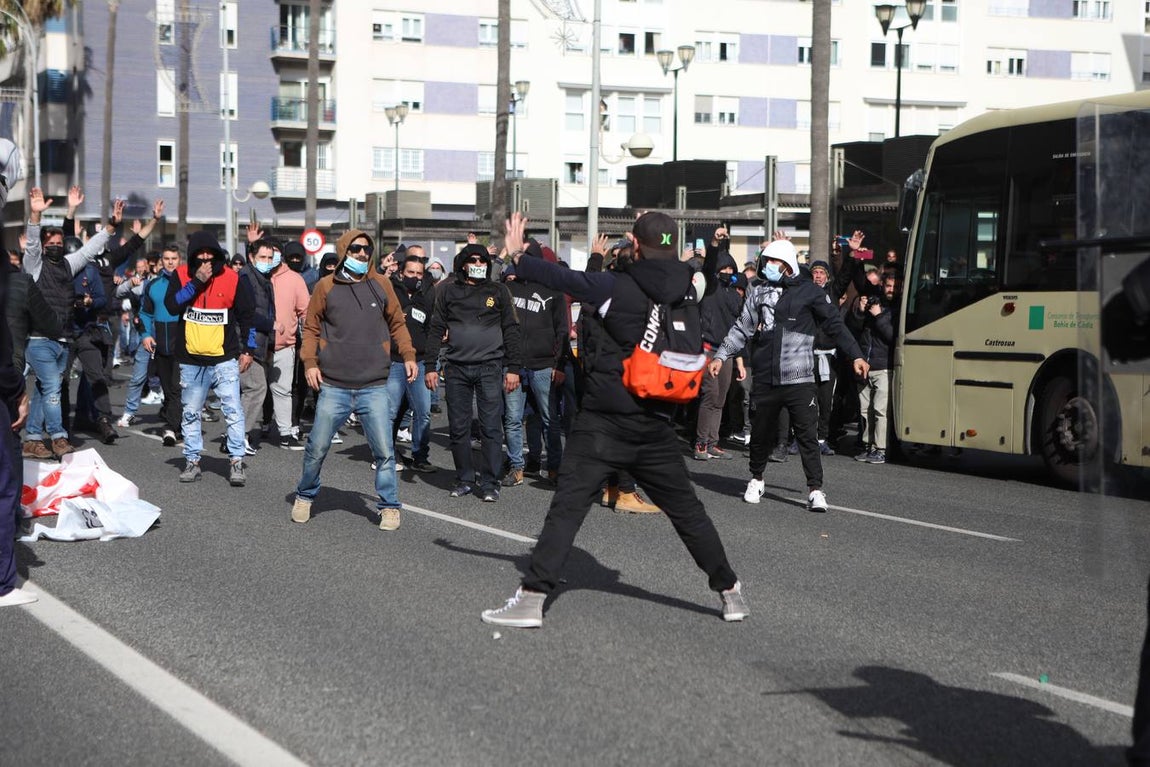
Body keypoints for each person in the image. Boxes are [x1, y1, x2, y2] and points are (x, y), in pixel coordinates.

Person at [481, 211, 747, 629]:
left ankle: (532, 600)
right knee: (688, 513)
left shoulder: (616, 286)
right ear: (674, 246)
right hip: (657, 424)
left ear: (635, 244)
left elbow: (563, 279)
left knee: (567, 509)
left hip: (603, 421)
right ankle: (730, 591)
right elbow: (706, 275)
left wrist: (518, 255)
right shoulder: (688, 286)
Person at [710, 238, 869, 512]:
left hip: (800, 378)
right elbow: (742, 327)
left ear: (787, 264)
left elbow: (834, 323)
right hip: (766, 377)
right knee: (761, 433)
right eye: (766, 261)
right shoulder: (757, 291)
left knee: (807, 435)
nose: (768, 266)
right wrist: (721, 355)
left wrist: (855, 354)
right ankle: (756, 479)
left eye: (774, 261)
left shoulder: (810, 292)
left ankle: (815, 490)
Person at [292, 229, 417, 530]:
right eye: (356, 249)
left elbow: (397, 324)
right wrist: (310, 363)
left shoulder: (382, 284)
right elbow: (311, 328)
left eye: (366, 249)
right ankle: (305, 495)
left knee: (384, 451)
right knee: (316, 447)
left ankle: (389, 506)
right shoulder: (325, 286)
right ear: (344, 251)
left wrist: (409, 355)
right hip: (334, 385)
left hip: (374, 385)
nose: (362, 254)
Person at [22, 188, 119, 458]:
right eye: (50, 242)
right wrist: (35, 215)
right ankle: (58, 436)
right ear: (43, 246)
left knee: (43, 389)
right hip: (39, 339)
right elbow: (32, 244)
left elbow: (89, 250)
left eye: (59, 241)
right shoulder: (34, 265)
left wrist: (111, 227)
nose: (55, 245)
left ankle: (32, 438)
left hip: (63, 340)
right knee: (53, 386)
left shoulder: (68, 264)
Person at [424, 243, 522, 503]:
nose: (478, 264)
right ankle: (464, 479)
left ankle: (490, 482)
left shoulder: (498, 290)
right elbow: (436, 328)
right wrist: (430, 366)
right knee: (459, 428)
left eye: (482, 261)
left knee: (491, 428)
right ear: (463, 264)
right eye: (473, 260)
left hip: (490, 366)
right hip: (456, 368)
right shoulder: (448, 291)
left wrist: (514, 368)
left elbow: (511, 329)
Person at [164, 231, 257, 486]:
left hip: (224, 358)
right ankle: (192, 460)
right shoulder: (181, 275)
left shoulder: (233, 278)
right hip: (191, 359)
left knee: (233, 410)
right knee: (191, 412)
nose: (205, 259)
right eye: (200, 254)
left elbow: (248, 316)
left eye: (210, 254)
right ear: (192, 256)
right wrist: (196, 282)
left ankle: (236, 461)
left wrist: (248, 350)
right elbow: (172, 306)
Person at [499, 241, 567, 487]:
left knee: (549, 419)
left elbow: (562, 331)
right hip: (513, 366)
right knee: (513, 419)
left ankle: (555, 468)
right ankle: (516, 467)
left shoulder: (553, 291)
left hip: (544, 366)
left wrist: (559, 365)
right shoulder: (508, 288)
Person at [693, 243, 744, 461]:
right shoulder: (709, 287)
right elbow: (707, 268)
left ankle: (713, 442)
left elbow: (739, 328)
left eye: (731, 269)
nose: (728, 272)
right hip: (707, 348)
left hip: (727, 352)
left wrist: (740, 360)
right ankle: (700, 443)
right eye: (724, 268)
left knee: (721, 398)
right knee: (710, 395)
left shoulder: (735, 295)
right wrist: (713, 247)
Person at [386, 253, 435, 472]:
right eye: (410, 272)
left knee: (423, 412)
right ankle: (385, 455)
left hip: (420, 362)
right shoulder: (390, 293)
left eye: (419, 273)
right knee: (391, 413)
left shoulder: (425, 298)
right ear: (401, 273)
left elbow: (430, 329)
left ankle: (420, 457)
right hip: (395, 362)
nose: (414, 277)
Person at [850, 272, 902, 464]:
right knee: (865, 410)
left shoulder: (898, 310)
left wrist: (879, 315)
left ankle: (881, 448)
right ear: (882, 285)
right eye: (888, 286)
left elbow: (893, 337)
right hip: (864, 365)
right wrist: (860, 311)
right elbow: (854, 328)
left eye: (895, 287)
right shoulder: (874, 304)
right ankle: (867, 445)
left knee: (881, 410)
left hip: (883, 367)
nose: (891, 290)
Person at [139, 244, 184, 447]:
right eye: (167, 259)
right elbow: (144, 313)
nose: (170, 262)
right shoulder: (153, 285)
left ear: (180, 260)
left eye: (174, 258)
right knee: (168, 390)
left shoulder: (188, 283)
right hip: (160, 345)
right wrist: (146, 335)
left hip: (183, 344)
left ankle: (171, 428)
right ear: (161, 262)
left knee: (176, 388)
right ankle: (176, 423)